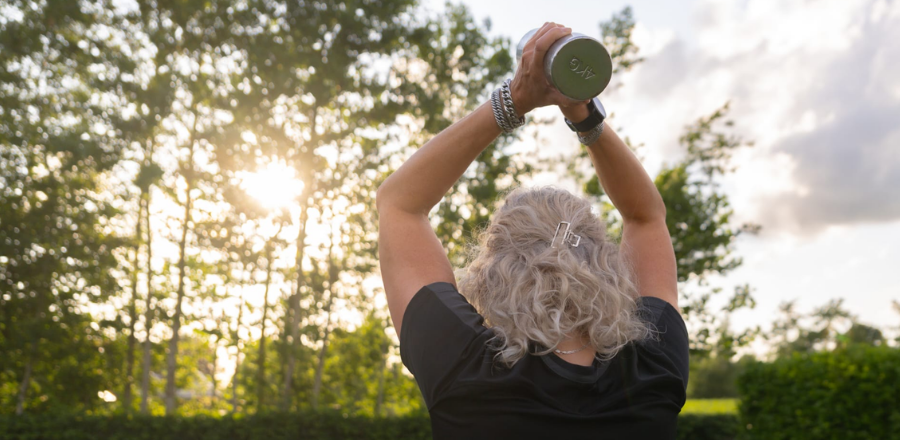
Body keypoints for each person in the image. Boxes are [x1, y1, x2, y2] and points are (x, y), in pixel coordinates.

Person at [376, 22, 688, 439]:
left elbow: (399, 204)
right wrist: (583, 112)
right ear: (609, 264)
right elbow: (645, 216)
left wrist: (514, 101)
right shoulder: (654, 367)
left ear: (493, 268)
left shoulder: (464, 366)